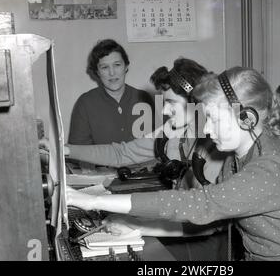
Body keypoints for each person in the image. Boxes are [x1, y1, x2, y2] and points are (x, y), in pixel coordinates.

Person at [66, 67, 280, 261]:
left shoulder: (268, 169)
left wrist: (92, 201)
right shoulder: (236, 158)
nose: (206, 129)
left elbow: (199, 204)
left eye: (213, 120)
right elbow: (207, 219)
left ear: (246, 118)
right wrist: (138, 227)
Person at [62, 58, 229, 261]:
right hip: (179, 224)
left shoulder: (216, 146)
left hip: (206, 241)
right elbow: (122, 153)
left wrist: (136, 225)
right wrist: (65, 150)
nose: (165, 111)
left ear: (197, 103)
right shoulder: (174, 131)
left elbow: (205, 219)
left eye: (171, 103)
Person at [69, 39, 155, 145]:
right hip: (100, 162)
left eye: (117, 65)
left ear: (126, 66)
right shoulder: (85, 103)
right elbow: (78, 153)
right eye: (104, 67)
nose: (112, 73)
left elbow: (157, 146)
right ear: (97, 72)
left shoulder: (145, 98)